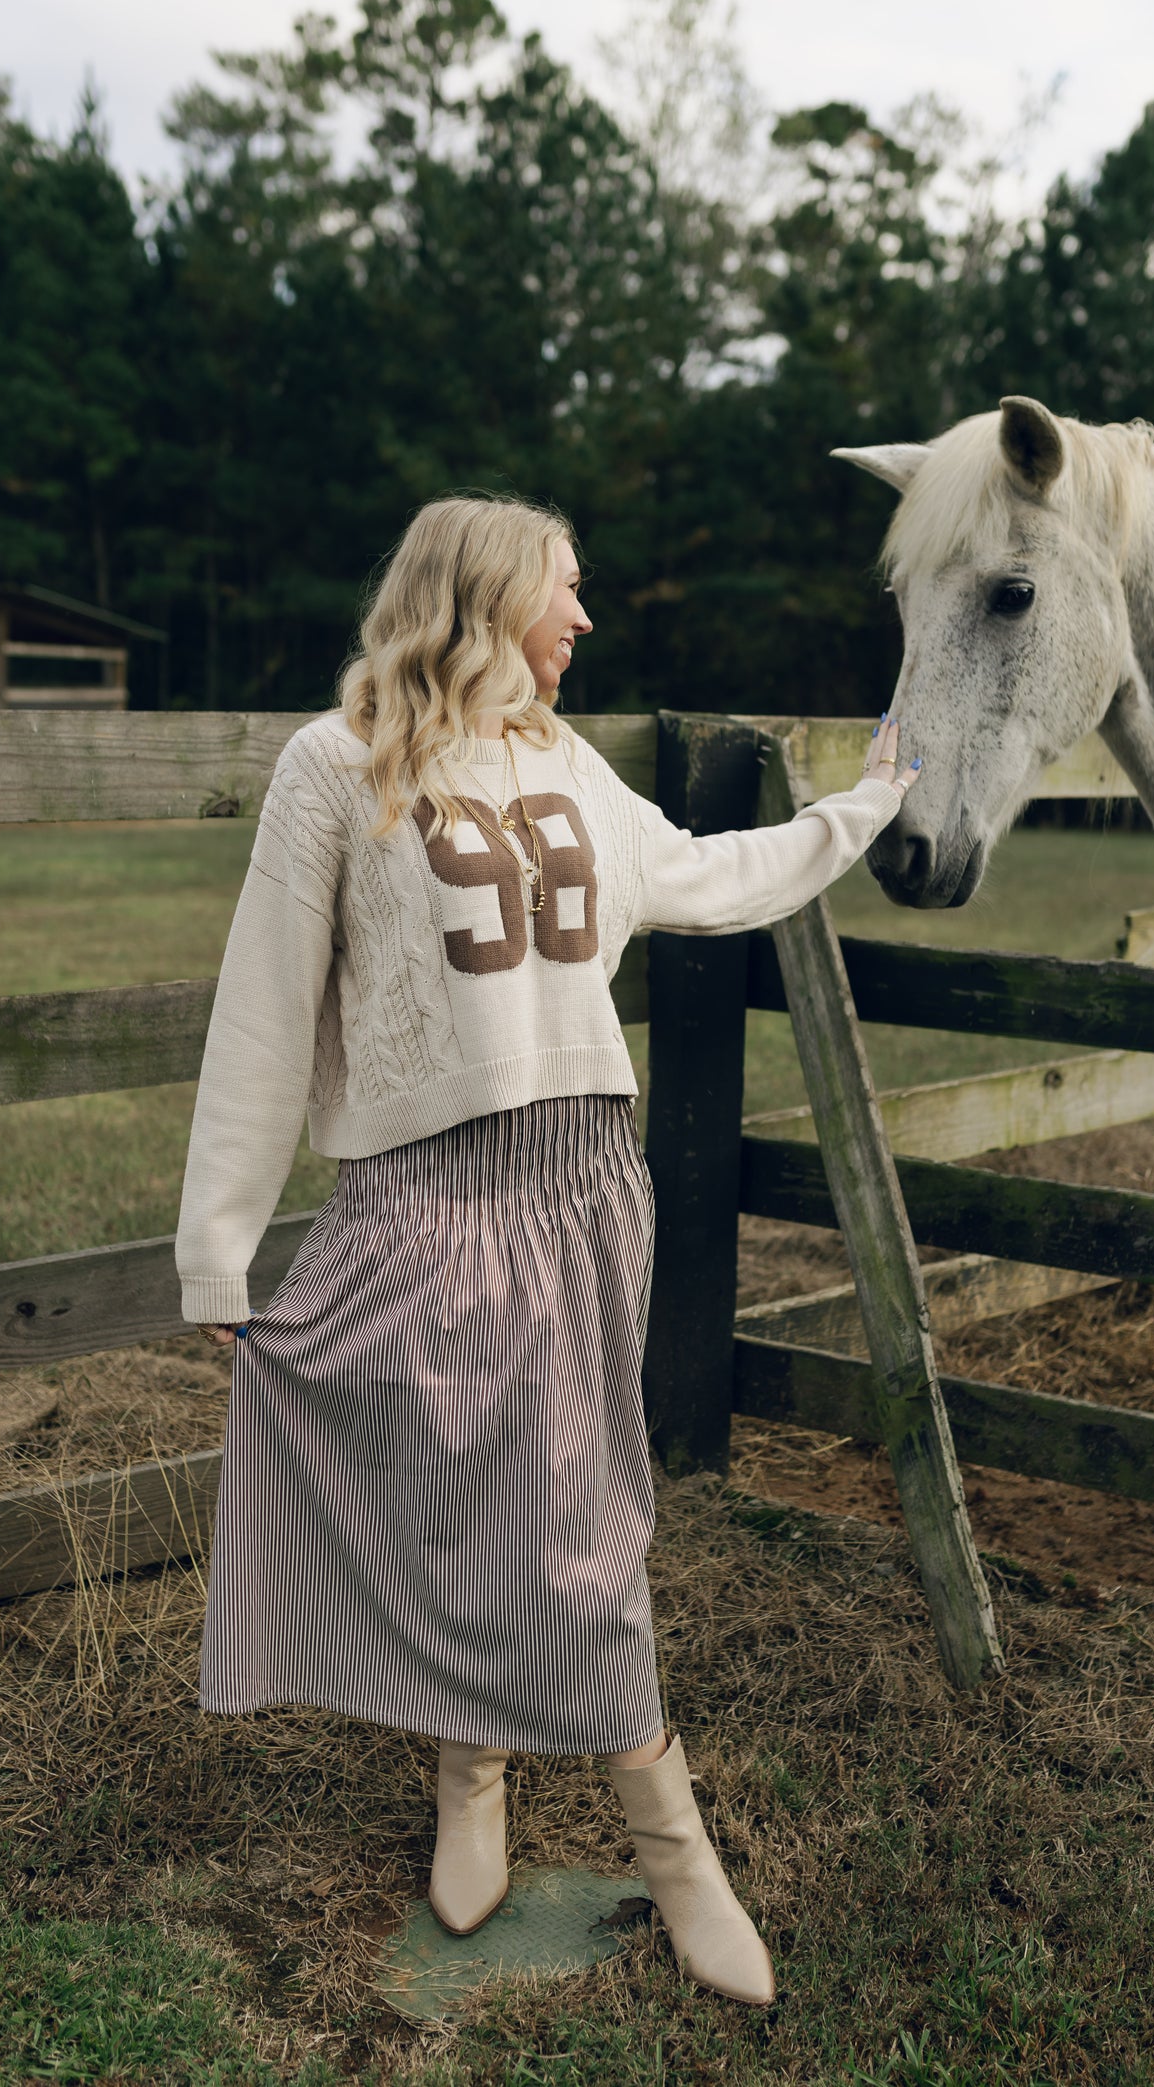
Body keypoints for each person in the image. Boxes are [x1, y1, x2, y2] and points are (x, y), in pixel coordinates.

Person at [176, 495, 920, 2007]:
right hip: (422, 1205)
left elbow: (706, 880)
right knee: (474, 1504)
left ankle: (581, 1811)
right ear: (486, 598)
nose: (583, 622)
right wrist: (218, 1249)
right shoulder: (332, 768)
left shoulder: (566, 765)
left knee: (577, 1527)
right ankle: (554, 1800)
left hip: (583, 1189)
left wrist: (857, 811)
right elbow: (259, 1013)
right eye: (563, 596)